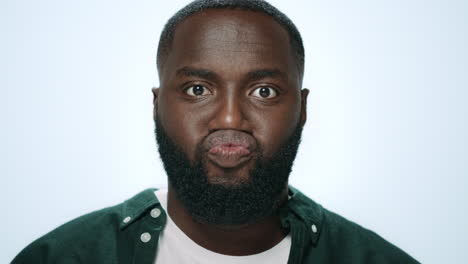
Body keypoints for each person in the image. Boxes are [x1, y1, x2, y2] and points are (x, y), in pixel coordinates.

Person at [12, 0, 419, 263]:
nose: (229, 119)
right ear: (157, 106)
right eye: (197, 89)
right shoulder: (62, 258)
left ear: (302, 108)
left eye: (264, 91)